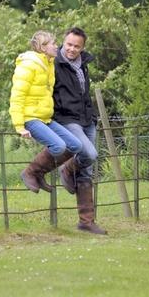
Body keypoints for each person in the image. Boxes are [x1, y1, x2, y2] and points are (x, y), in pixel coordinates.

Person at [9, 30, 82, 193]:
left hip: (45, 118)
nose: (57, 46)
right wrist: (19, 126)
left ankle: (39, 174)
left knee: (75, 145)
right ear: (43, 47)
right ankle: (30, 172)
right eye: (53, 44)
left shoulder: (48, 64)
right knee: (58, 146)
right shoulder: (28, 65)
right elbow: (17, 95)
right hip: (30, 118)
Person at [53, 27, 107, 234]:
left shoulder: (83, 64)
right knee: (89, 154)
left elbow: (84, 94)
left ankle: (86, 222)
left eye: (77, 46)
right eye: (69, 44)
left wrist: (91, 117)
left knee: (87, 170)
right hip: (67, 119)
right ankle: (66, 169)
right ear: (63, 42)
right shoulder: (54, 64)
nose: (72, 49)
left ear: (83, 47)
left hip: (87, 119)